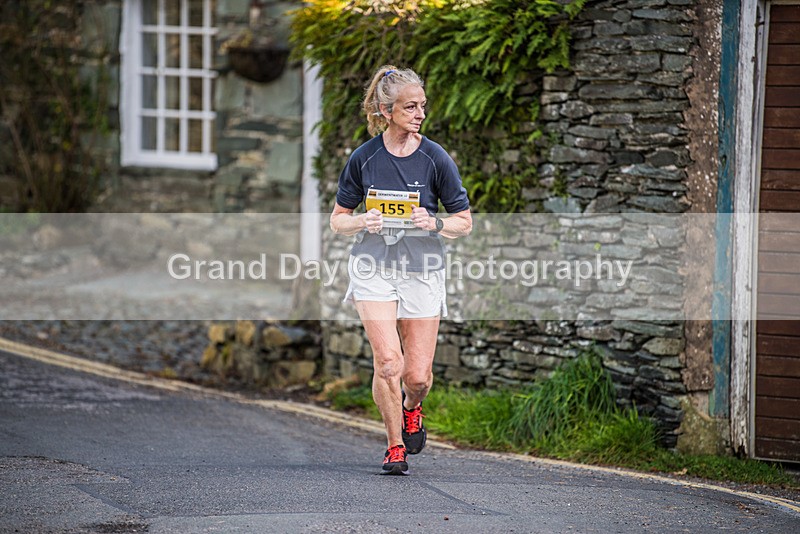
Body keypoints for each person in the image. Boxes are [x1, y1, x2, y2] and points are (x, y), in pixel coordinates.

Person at [329, 65, 472, 475]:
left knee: (417, 375)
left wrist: (436, 223)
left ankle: (413, 406)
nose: (420, 114)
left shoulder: (435, 158)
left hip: (422, 269)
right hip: (373, 266)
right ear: (385, 110)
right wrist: (363, 220)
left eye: (422, 106)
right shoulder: (364, 158)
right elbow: (338, 219)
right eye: (411, 107)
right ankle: (394, 446)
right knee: (388, 362)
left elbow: (464, 221)